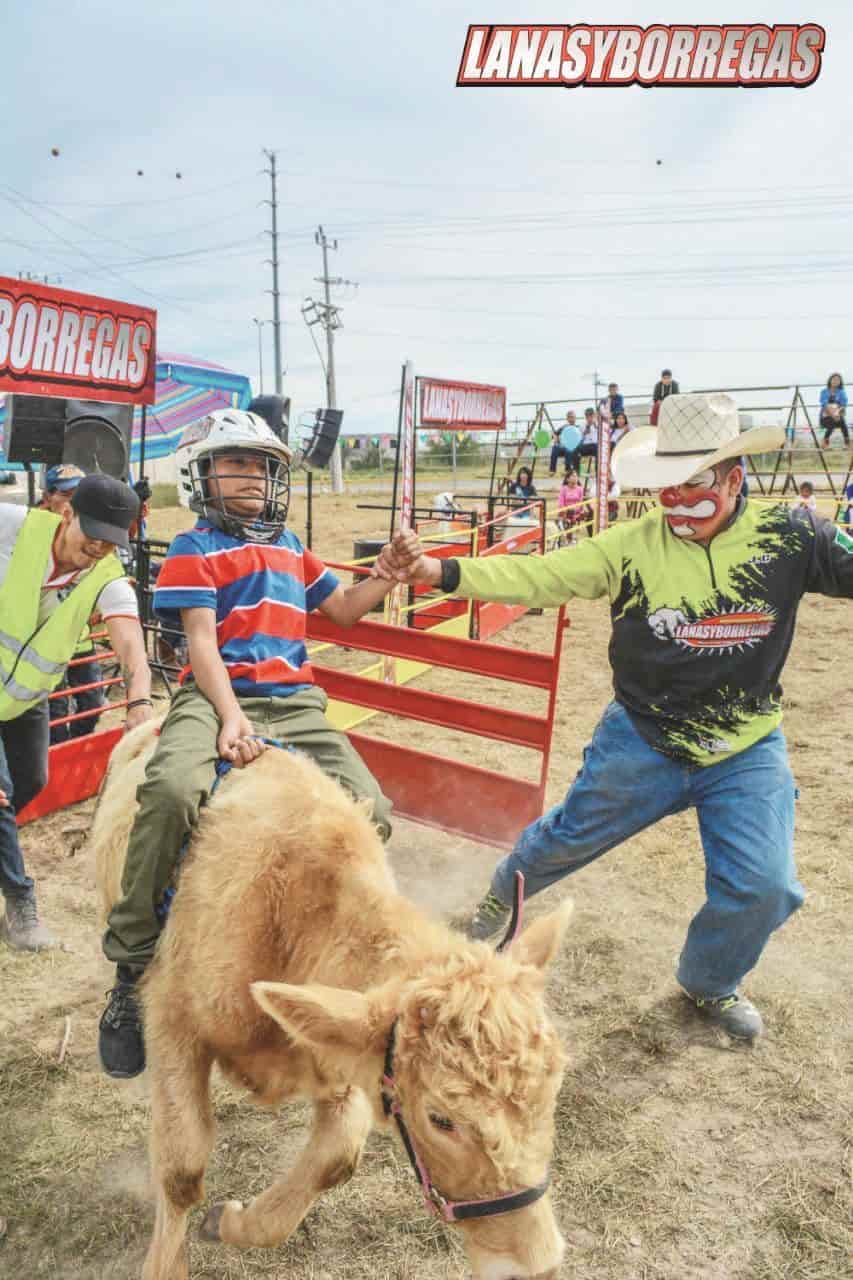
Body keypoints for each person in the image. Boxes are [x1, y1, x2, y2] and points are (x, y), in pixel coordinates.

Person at [377, 392, 853, 1042]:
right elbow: (538, 575)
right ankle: (499, 894)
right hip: (643, 739)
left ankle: (709, 983)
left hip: (744, 747)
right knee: (564, 838)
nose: (678, 501)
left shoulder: (791, 536)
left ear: (733, 477)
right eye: (667, 486)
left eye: (694, 484)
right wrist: (439, 570)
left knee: (765, 886)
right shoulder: (628, 547)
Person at [98, 409, 401, 1079]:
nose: (254, 477)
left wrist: (387, 572)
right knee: (172, 790)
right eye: (235, 463)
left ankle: (329, 950)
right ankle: (130, 964)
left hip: (295, 701)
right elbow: (200, 643)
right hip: (212, 695)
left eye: (262, 465)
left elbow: (345, 610)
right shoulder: (192, 549)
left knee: (372, 809)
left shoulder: (292, 545)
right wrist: (231, 718)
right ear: (203, 474)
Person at [0, 474, 152, 950]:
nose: (97, 551)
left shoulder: (106, 574)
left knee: (32, 783)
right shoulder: (10, 529)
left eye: (110, 544)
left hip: (26, 700)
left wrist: (140, 704)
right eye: (92, 538)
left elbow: (130, 644)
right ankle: (21, 906)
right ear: (66, 515)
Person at [38, 466, 107, 745]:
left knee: (93, 706)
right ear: (47, 497)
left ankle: (72, 751)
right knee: (53, 718)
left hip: (80, 642)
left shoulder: (93, 536)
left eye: (79, 495)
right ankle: (54, 769)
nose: (74, 503)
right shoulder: (31, 536)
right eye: (67, 495)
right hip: (43, 647)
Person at [557, 468, 587, 544]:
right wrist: (566, 510)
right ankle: (567, 538)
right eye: (573, 476)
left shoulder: (580, 489)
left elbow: (580, 503)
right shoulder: (564, 489)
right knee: (567, 515)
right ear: (567, 479)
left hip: (576, 513)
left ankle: (569, 538)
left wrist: (575, 509)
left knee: (572, 515)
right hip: (565, 512)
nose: (575, 478)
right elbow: (561, 503)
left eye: (576, 476)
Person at [819, 373, 849, 446]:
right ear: (830, 380)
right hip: (826, 417)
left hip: (837, 415)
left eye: (838, 380)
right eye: (834, 379)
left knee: (842, 421)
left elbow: (843, 404)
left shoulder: (841, 392)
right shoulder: (824, 391)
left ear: (840, 382)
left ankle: (847, 440)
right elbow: (824, 405)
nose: (835, 381)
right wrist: (833, 415)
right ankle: (825, 440)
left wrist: (839, 414)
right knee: (832, 423)